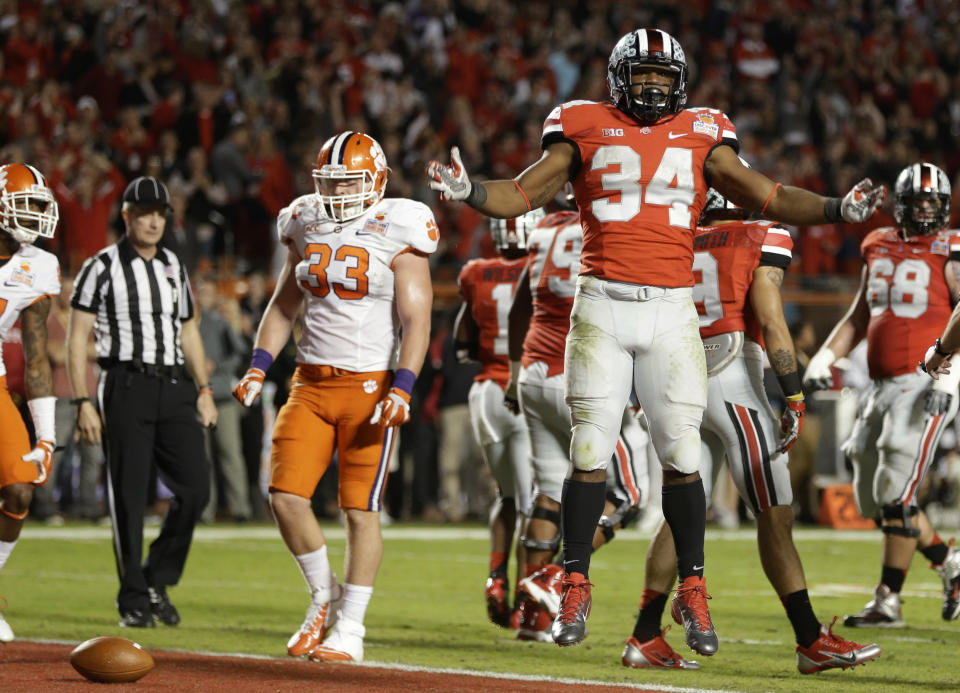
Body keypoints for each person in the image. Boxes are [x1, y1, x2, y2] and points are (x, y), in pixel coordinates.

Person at [427, 27, 885, 652]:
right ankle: (575, 586)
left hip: (672, 312)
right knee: (590, 450)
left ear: (681, 83)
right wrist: (472, 193)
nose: (652, 86)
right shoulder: (582, 122)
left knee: (681, 457)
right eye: (641, 75)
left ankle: (692, 590)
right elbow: (525, 191)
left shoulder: (704, 131)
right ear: (618, 76)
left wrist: (837, 209)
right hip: (601, 305)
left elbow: (769, 195)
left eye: (662, 78)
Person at [623, 190, 881, 674]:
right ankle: (809, 640)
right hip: (730, 376)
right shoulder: (759, 234)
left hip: (672, 377)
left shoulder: (672, 238)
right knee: (774, 511)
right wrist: (794, 395)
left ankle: (644, 634)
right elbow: (770, 319)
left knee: (685, 507)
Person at [232, 131, 436, 663]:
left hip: (368, 386)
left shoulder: (400, 225)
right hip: (309, 381)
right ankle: (323, 598)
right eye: (331, 182)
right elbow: (282, 305)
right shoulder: (303, 218)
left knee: (359, 509)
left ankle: (352, 628)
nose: (338, 193)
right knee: (284, 496)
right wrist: (258, 367)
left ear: (377, 181)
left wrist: (404, 385)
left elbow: (417, 317)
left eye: (349, 182)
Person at [805, 162, 960, 627]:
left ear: (946, 207)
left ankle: (887, 600)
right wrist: (825, 358)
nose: (926, 211)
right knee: (871, 497)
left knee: (896, 486)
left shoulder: (951, 247)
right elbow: (858, 315)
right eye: (918, 203)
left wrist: (949, 377)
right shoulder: (876, 243)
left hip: (928, 379)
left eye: (934, 204)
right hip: (879, 383)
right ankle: (950, 562)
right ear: (900, 206)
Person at [67, 175, 218, 628]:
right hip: (125, 384)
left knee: (196, 489)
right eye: (145, 213)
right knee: (129, 498)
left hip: (174, 387)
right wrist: (82, 401)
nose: (154, 222)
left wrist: (204, 389)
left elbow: (188, 329)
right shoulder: (101, 266)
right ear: (127, 215)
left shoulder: (174, 264)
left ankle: (156, 577)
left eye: (160, 214)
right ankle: (133, 596)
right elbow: (78, 338)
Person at [505, 205, 649, 643]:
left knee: (549, 494)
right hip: (580, 376)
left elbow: (517, 310)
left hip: (532, 372)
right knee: (627, 497)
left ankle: (532, 618)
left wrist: (514, 375)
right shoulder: (611, 225)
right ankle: (552, 578)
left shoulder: (545, 227)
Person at [453, 210, 538, 629]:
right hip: (524, 392)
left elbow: (462, 342)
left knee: (507, 496)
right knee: (532, 503)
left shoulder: (475, 272)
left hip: (485, 394)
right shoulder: (543, 266)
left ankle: (495, 580)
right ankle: (527, 598)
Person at [0, 163, 61, 642]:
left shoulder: (36, 265)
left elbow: (38, 356)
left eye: (41, 206)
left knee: (20, 486)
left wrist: (47, 436)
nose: (37, 216)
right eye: (28, 204)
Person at [195, 277, 252, 523]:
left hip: (221, 396)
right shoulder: (187, 323)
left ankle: (240, 509)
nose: (204, 298)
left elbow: (239, 353)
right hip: (197, 395)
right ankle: (205, 510)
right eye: (201, 293)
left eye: (209, 293)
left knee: (230, 453)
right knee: (202, 456)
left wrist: (217, 366)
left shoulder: (220, 323)